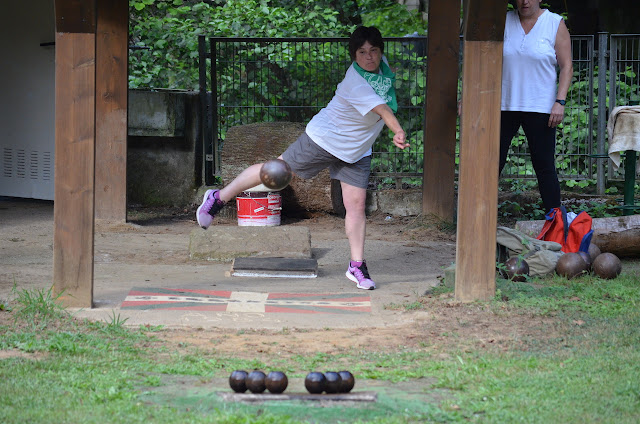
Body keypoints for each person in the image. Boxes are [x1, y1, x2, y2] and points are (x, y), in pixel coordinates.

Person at [195, 26, 409, 290]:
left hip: (355, 150)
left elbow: (383, 98)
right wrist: (397, 130)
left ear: (380, 52)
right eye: (362, 52)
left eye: (374, 51)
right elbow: (383, 109)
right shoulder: (357, 82)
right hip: (325, 138)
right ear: (354, 56)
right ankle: (218, 198)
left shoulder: (382, 70)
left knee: (356, 206)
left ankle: (357, 265)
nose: (369, 57)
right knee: (275, 173)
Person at [500, 0, 573, 213]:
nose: (525, 1)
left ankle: (556, 221)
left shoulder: (554, 23)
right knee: (492, 163)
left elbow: (567, 66)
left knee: (544, 166)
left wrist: (559, 102)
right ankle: (478, 219)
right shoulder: (504, 20)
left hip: (541, 106)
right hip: (504, 104)